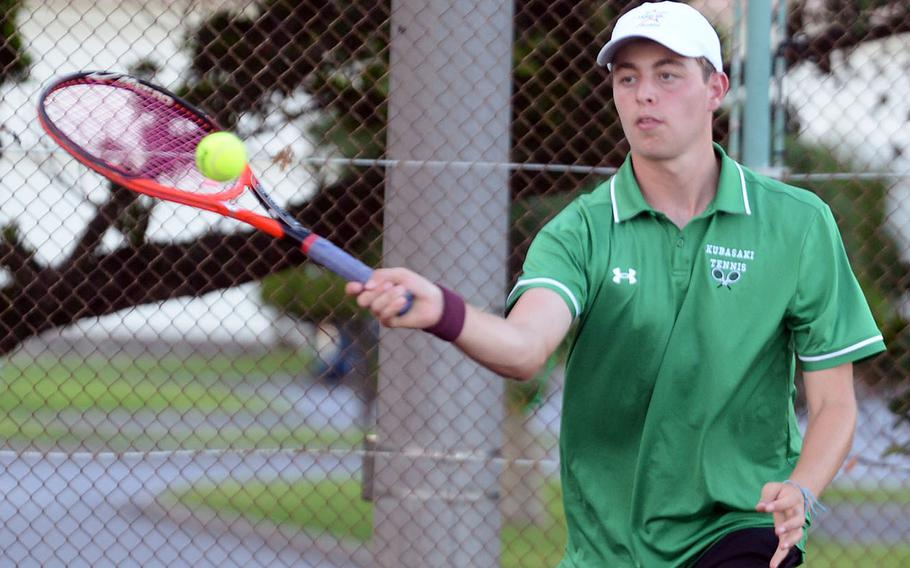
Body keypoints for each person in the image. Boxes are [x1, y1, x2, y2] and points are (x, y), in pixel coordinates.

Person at [346, 2, 886, 566]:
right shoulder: (579, 232)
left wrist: (802, 489)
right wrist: (443, 311)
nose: (644, 93)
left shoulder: (798, 224)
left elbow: (833, 405)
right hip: (610, 546)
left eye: (668, 74)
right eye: (627, 77)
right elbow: (526, 348)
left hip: (740, 525)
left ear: (715, 88)